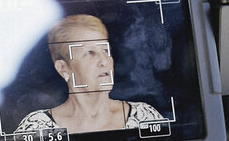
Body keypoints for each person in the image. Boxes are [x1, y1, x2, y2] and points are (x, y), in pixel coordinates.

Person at [14, 14, 164, 134]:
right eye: (90, 53)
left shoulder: (144, 117)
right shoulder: (37, 128)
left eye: (105, 50)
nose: (104, 61)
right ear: (63, 68)